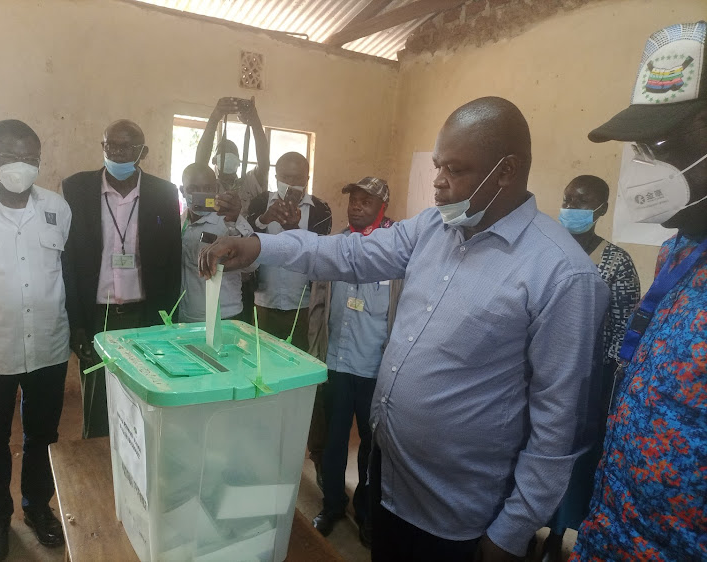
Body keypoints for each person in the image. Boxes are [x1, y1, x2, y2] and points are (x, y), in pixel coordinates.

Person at [199, 97, 610, 561]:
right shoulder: (433, 229)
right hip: (390, 484)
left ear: (506, 171)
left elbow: (558, 426)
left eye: (454, 169)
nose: (437, 181)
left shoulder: (561, 275)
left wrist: (512, 532)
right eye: (437, 166)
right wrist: (258, 246)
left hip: (462, 518)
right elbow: (347, 255)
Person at [571, 21, 707, 561]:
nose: (650, 162)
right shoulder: (681, 248)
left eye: (669, 140)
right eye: (645, 145)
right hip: (612, 529)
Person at [0, 120, 70, 561]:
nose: (21, 167)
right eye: (9, 157)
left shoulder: (57, 208)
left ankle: (37, 509)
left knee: (43, 435)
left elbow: (65, 272)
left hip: (47, 345)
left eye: (31, 159)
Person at [541, 175, 640, 561]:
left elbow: (623, 330)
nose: (570, 208)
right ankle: (521, 523)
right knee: (534, 448)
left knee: (575, 459)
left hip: (586, 382)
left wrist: (603, 388)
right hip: (541, 372)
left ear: (601, 209)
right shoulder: (548, 249)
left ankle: (558, 531)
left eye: (581, 202)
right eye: (567, 199)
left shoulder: (616, 262)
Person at [62, 119, 181, 439]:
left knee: (143, 400)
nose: (115, 153)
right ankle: (100, 470)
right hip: (96, 316)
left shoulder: (164, 193)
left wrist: (167, 324)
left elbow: (172, 264)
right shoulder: (76, 188)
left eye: (125, 147)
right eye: (109, 145)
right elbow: (69, 261)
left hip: (145, 316)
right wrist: (76, 324)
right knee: (97, 404)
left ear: (142, 152)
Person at [307, 177, 401, 548]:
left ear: (383, 205)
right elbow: (318, 305)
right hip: (336, 362)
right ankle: (332, 505)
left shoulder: (397, 251)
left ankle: (367, 513)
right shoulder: (336, 246)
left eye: (366, 200)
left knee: (372, 447)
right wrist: (315, 353)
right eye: (353, 200)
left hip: (377, 369)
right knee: (332, 441)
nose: (357, 206)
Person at [246, 151, 332, 486]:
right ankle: (261, 451)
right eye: (285, 176)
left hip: (303, 308)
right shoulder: (258, 202)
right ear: (274, 174)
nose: (291, 184)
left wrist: (297, 227)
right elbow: (247, 239)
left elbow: (323, 254)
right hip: (263, 304)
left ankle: (318, 457)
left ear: (307, 178)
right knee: (263, 378)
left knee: (308, 384)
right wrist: (264, 219)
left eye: (298, 178)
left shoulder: (321, 208)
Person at [179, 163, 255, 322]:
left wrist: (234, 223)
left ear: (216, 190)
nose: (201, 194)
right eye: (193, 188)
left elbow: (252, 265)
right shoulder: (178, 222)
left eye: (207, 188)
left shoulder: (230, 220)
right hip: (187, 316)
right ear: (182, 191)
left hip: (225, 316)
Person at [195, 96, 269, 216]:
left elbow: (264, 162)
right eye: (223, 153)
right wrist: (214, 118)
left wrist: (255, 122)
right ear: (214, 161)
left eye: (232, 154)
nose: (227, 156)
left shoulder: (249, 183)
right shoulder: (210, 186)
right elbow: (199, 166)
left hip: (243, 233)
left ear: (239, 162)